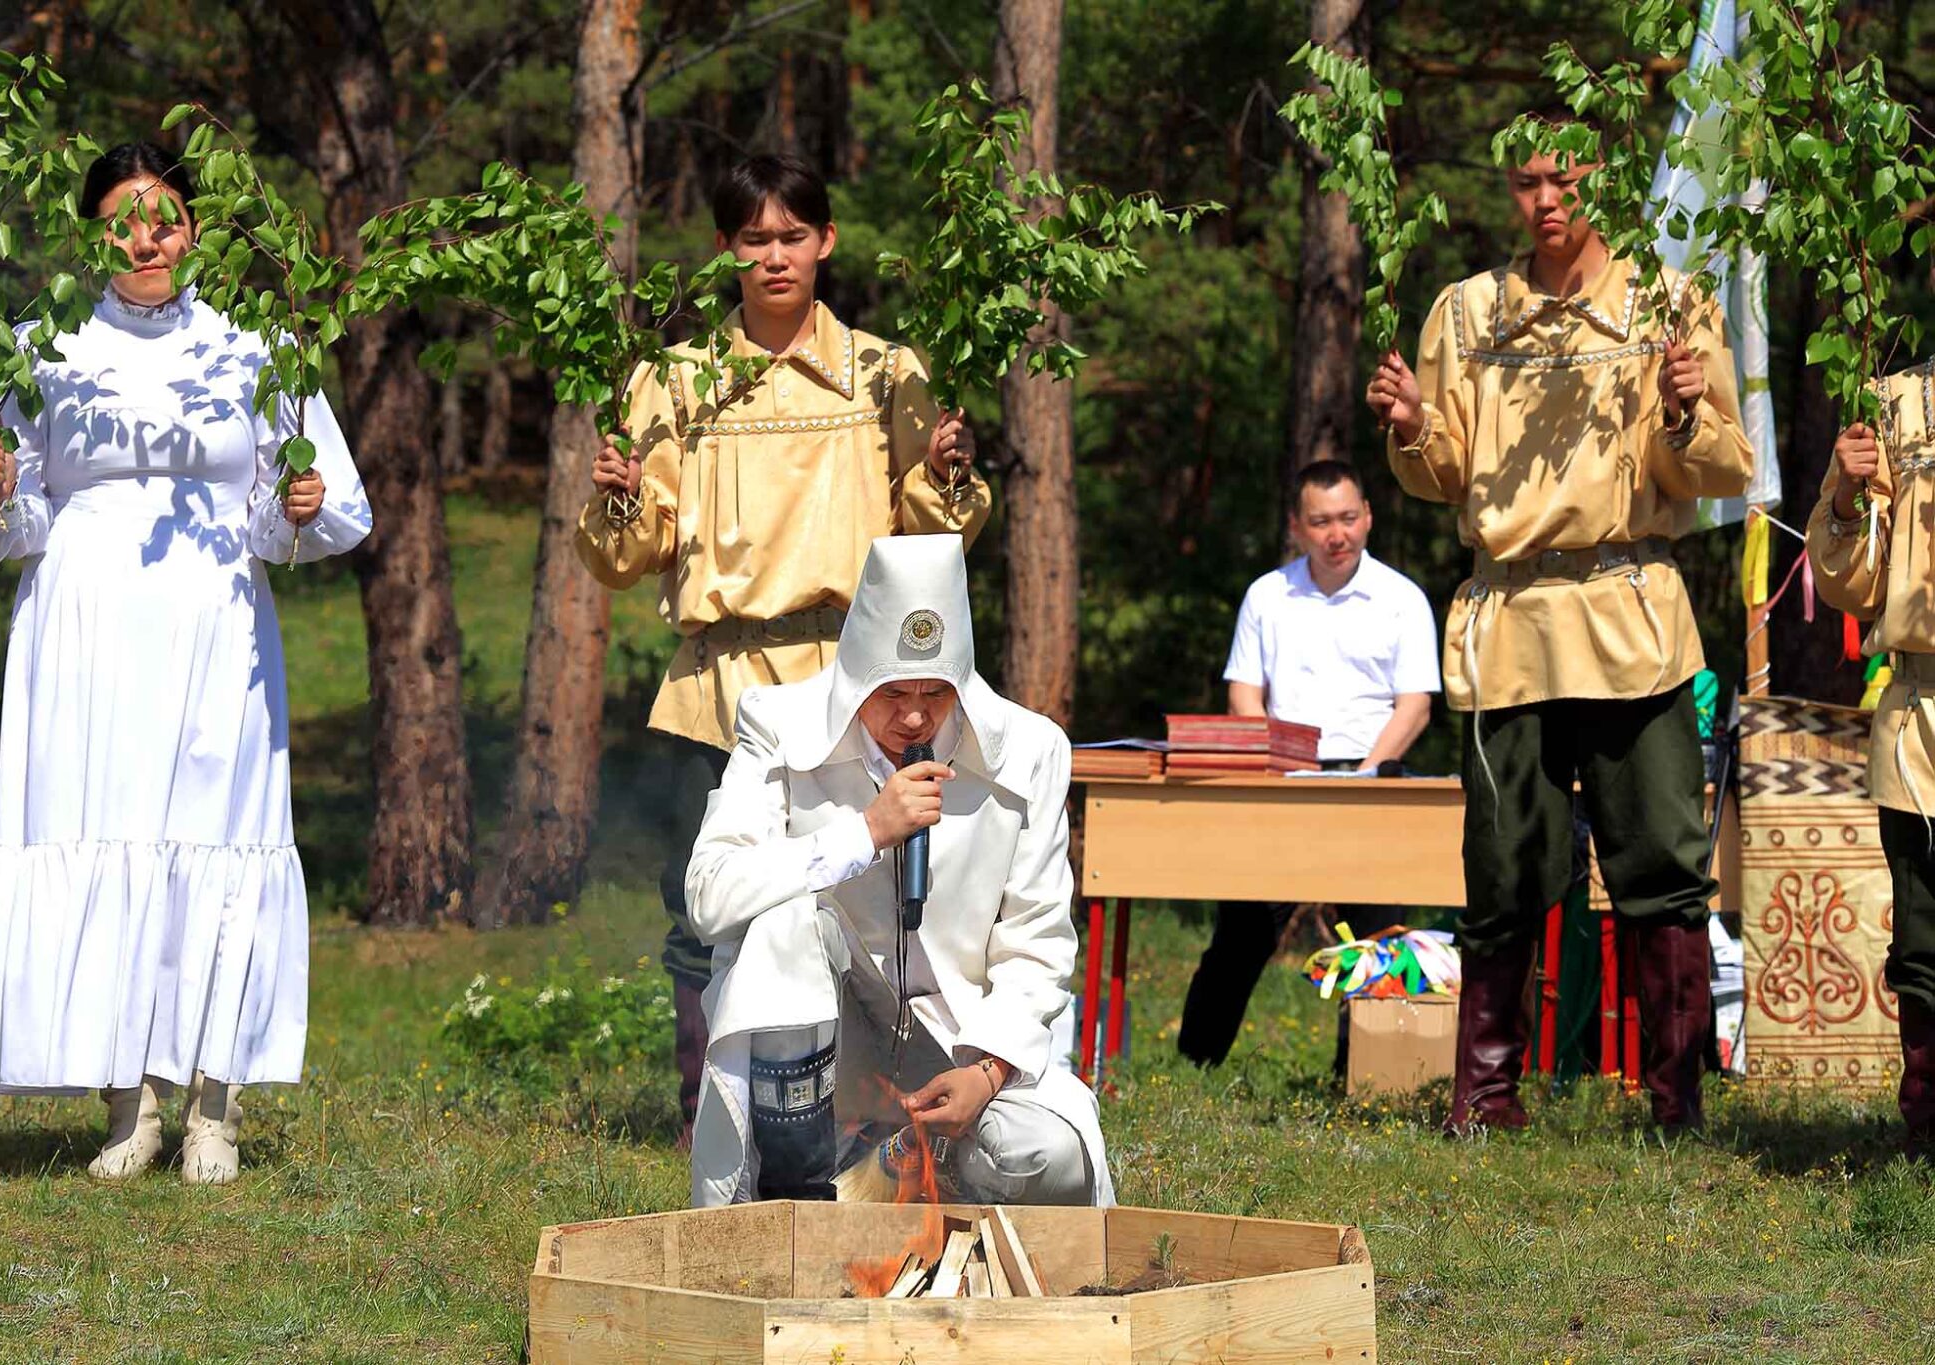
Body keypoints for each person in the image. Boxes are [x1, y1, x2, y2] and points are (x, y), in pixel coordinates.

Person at [0, 142, 372, 1183]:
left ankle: (214, 1106)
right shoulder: (38, 346)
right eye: (125, 219)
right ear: (93, 229)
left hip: (213, 618)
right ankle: (130, 1102)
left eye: (165, 216)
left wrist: (292, 505)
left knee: (215, 834)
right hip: (83, 623)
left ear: (193, 228)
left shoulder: (254, 345)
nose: (145, 238)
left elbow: (311, 508)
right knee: (103, 823)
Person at [575, 155, 991, 1146]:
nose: (773, 257)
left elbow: (932, 538)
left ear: (826, 242)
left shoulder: (888, 373)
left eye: (791, 236)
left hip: (855, 682)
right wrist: (621, 492)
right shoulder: (674, 382)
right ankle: (706, 1112)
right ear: (725, 249)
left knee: (878, 900)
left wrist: (949, 471)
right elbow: (630, 554)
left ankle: (875, 1110)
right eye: (752, 239)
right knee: (709, 906)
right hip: (720, 681)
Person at [1365, 119, 1752, 1135]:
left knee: (1660, 868)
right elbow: (1442, 470)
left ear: (1599, 185)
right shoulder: (1466, 312)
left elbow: (1719, 467)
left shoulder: (1663, 303)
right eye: (1525, 183)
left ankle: (1673, 1102)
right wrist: (1411, 429)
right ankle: (1485, 1098)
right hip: (1508, 620)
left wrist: (1677, 413)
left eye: (1562, 181)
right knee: (1500, 869)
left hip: (1630, 614)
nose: (1543, 201)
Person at [683, 534, 1111, 1208]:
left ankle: (933, 1197)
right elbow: (710, 894)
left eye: (936, 692)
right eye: (892, 692)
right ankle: (793, 1199)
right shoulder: (779, 723)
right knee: (784, 922)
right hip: (826, 1048)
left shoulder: (1029, 750)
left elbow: (1040, 942)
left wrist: (989, 1072)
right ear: (855, 676)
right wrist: (864, 832)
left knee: (1048, 1160)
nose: (914, 714)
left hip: (961, 1047)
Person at [1177, 460, 1440, 1067]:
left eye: (1348, 518)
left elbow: (1416, 706)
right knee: (1241, 935)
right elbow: (1245, 694)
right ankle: (1196, 1063)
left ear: (1368, 517)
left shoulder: (1402, 598)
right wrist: (1270, 765)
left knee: (1378, 941)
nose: (1337, 534)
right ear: (1298, 527)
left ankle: (1369, 1077)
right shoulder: (1267, 595)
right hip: (1281, 778)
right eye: (1321, 522)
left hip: (1373, 780)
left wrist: (1365, 776)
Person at [1810, 383, 1935, 1161]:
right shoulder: (1893, 404)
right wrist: (1851, 501)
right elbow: (1850, 583)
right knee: (1924, 940)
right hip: (1925, 709)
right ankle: (1929, 1132)